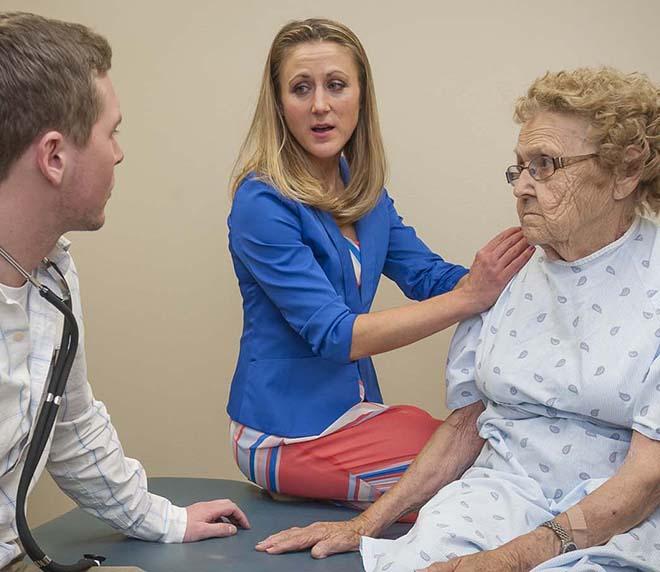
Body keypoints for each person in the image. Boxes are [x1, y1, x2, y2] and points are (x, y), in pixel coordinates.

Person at [255, 66, 660, 572]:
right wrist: (363, 526)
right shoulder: (510, 275)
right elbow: (469, 423)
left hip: (615, 517)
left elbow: (646, 480)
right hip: (496, 496)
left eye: (546, 165)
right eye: (520, 168)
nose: (523, 188)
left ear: (626, 170)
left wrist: (508, 560)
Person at [227, 17, 532, 508]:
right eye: (301, 88)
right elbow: (334, 335)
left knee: (496, 449)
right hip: (285, 433)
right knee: (480, 490)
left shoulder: (362, 192)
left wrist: (533, 282)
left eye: (336, 85)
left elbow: (428, 276)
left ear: (361, 97)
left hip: (356, 413)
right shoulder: (261, 202)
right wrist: (470, 296)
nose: (320, 105)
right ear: (280, 105)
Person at [0, 12, 249, 571]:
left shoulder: (52, 277)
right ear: (55, 157)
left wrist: (165, 521)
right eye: (111, 132)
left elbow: (70, 425)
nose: (119, 152)